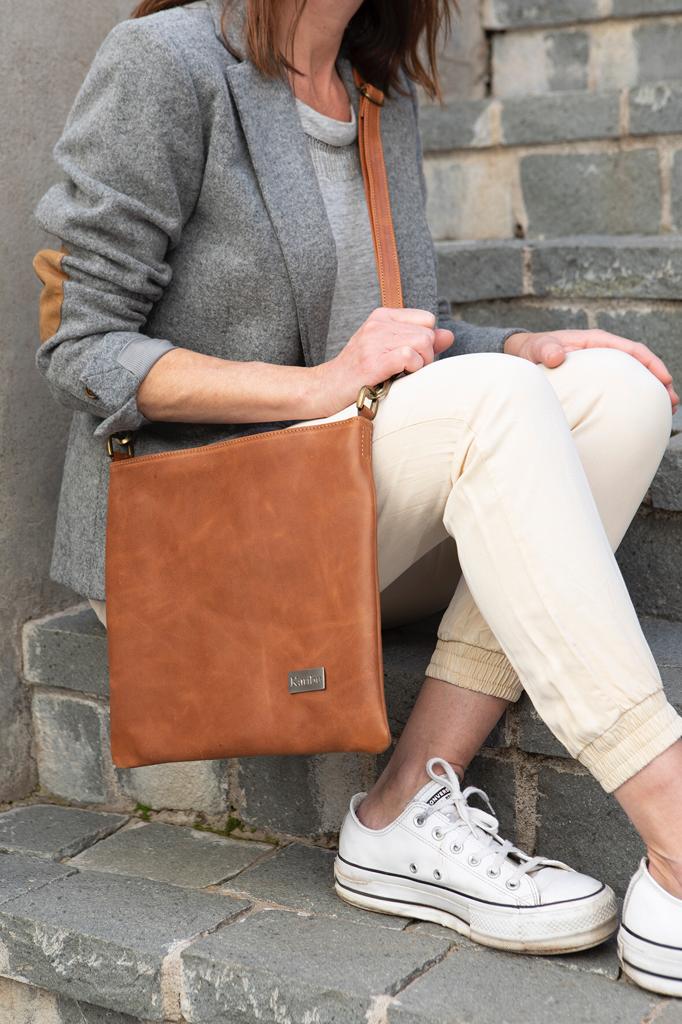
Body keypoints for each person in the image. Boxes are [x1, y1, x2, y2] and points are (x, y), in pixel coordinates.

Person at [33, 0, 682, 996]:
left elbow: (405, 332)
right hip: (200, 544)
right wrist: (319, 387)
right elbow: (83, 347)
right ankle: (673, 827)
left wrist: (525, 345)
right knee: (499, 404)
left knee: (618, 395)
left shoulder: (372, 88)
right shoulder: (165, 63)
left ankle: (401, 807)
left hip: (340, 511)